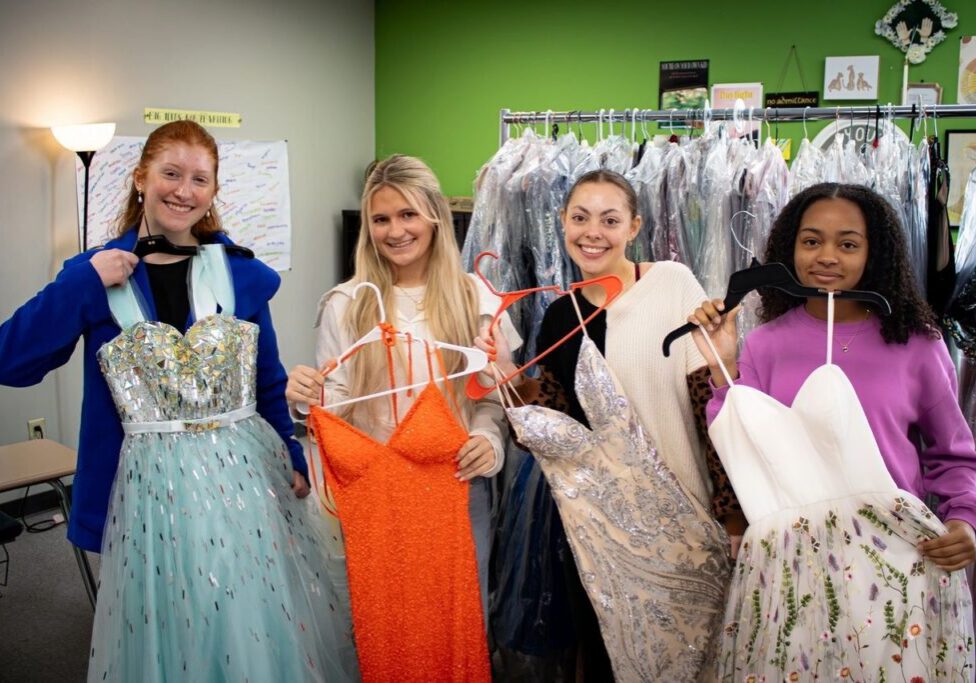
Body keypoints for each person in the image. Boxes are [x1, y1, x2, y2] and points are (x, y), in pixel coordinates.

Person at [0, 120, 357, 681]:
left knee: (243, 617)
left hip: (238, 485)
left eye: (199, 179)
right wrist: (82, 283)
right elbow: (12, 361)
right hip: (140, 495)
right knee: (165, 625)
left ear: (213, 192)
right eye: (170, 173)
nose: (183, 190)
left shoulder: (238, 273)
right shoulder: (95, 274)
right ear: (141, 178)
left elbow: (265, 375)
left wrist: (289, 451)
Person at [689, 182, 976, 679]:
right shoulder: (764, 345)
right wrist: (723, 361)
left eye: (847, 243)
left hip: (896, 563)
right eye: (811, 241)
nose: (826, 256)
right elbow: (742, 447)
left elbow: (952, 452)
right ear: (789, 248)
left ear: (874, 252)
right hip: (792, 565)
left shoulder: (918, 346)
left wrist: (965, 519)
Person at [480, 169, 742, 681]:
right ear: (562, 222)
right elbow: (553, 430)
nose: (592, 232)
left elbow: (708, 403)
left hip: (684, 514)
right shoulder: (560, 316)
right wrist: (505, 376)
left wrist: (731, 515)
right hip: (603, 535)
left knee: (694, 657)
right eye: (579, 218)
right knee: (609, 658)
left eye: (609, 219)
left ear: (634, 226)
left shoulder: (671, 285)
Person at [285, 154, 520, 679]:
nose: (396, 231)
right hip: (379, 498)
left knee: (459, 621)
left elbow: (495, 398)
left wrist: (489, 438)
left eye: (408, 215)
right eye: (381, 219)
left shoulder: (474, 295)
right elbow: (334, 403)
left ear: (435, 215)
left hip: (458, 488)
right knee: (386, 625)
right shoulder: (346, 304)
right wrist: (304, 397)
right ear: (367, 226)